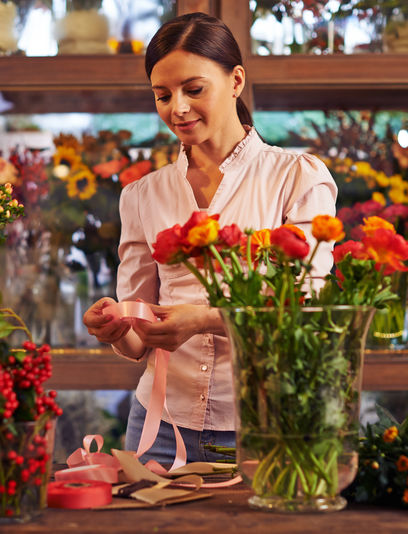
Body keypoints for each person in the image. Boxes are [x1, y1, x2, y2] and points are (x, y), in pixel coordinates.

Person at [82, 12, 337, 465]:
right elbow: (141, 339)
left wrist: (201, 320)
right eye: (162, 95)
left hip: (263, 419)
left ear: (236, 80)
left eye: (193, 90)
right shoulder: (142, 195)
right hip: (159, 422)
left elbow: (305, 304)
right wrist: (116, 328)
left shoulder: (296, 177)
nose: (176, 108)